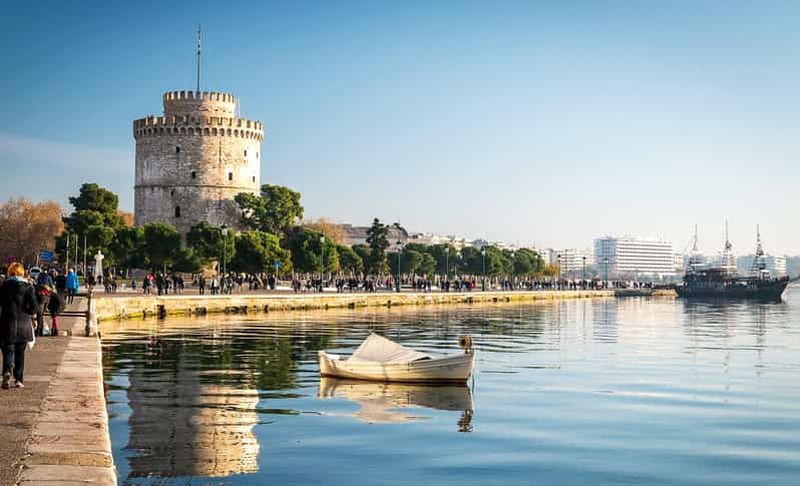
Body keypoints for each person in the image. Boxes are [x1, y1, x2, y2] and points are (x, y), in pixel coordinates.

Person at [0, 263, 37, 389]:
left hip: (7, 322)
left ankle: (7, 372)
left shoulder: (4, 286)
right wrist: (31, 315)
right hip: (23, 323)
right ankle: (18, 379)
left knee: (7, 350)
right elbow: (34, 307)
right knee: (20, 352)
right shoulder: (28, 287)